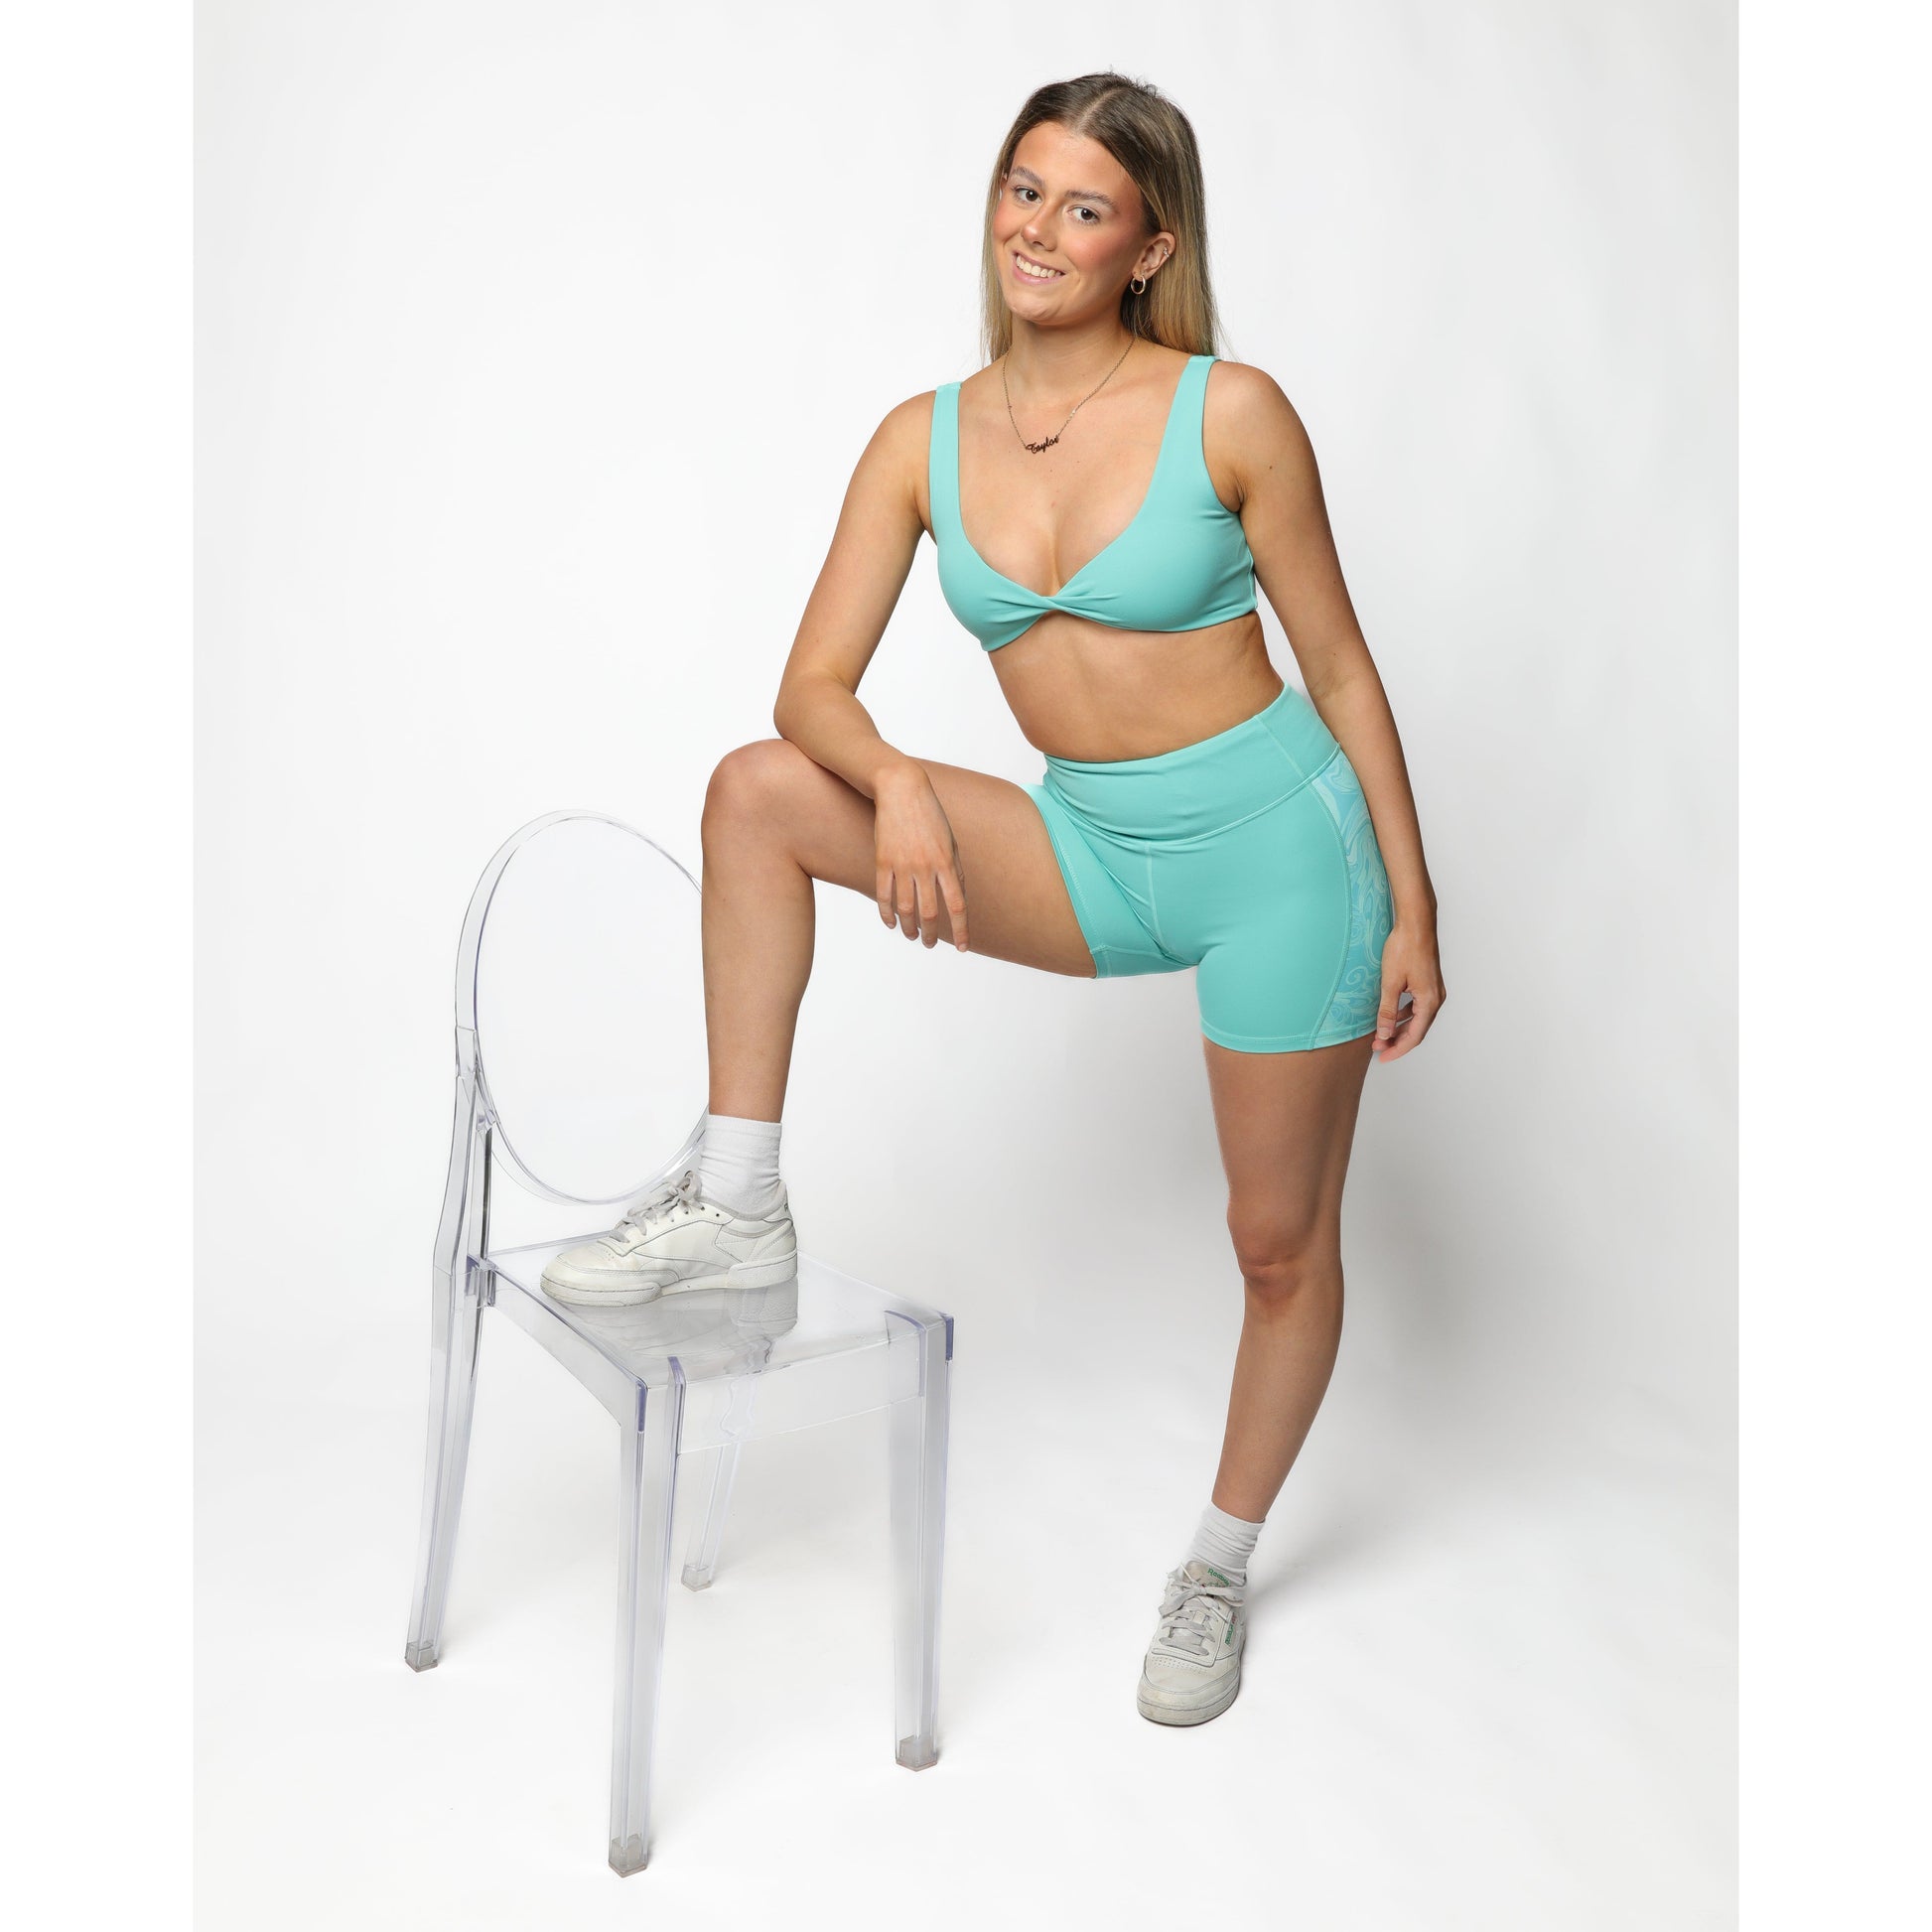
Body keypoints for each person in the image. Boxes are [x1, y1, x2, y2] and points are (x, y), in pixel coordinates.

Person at [541, 70, 1447, 1727]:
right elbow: (809, 688)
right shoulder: (922, 437)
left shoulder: (1230, 411)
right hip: (1085, 843)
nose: (1036, 227)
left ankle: (1215, 1564)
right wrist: (893, 781)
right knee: (757, 789)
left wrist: (1413, 905)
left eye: (1083, 207)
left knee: (1273, 1242)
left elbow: (1338, 667)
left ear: (1147, 247)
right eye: (1022, 189)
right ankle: (736, 1200)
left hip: (1276, 858)